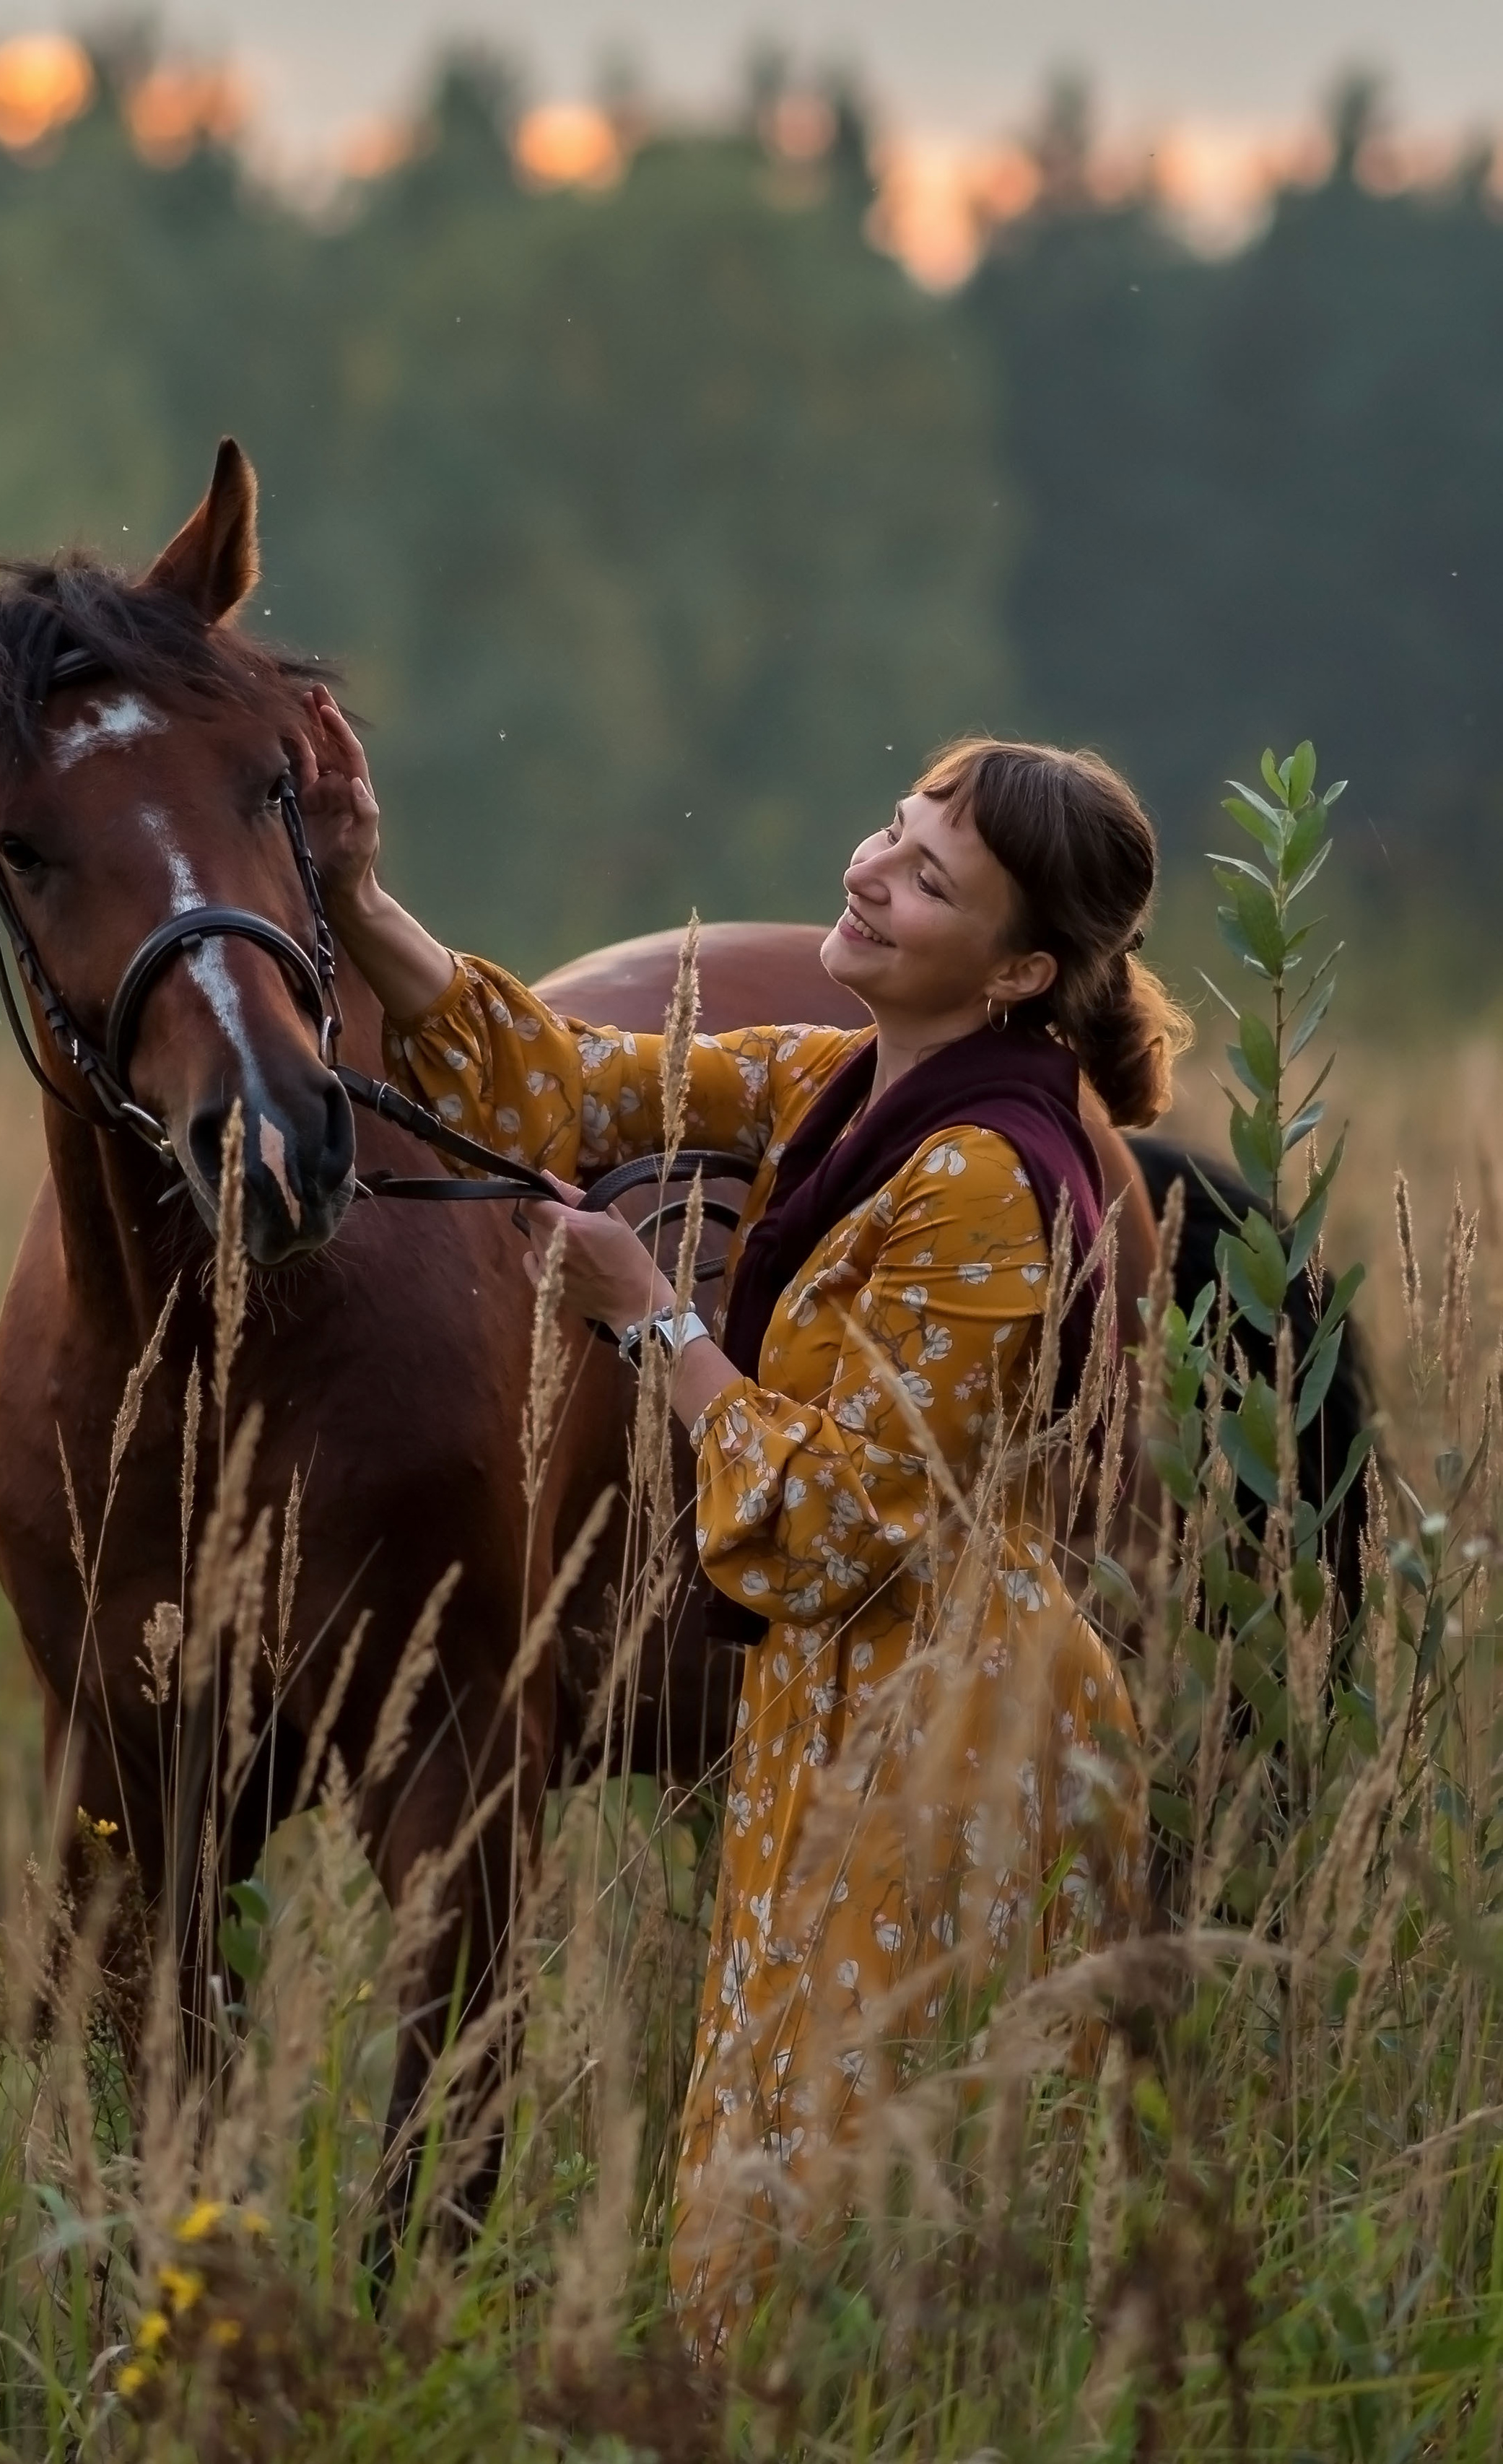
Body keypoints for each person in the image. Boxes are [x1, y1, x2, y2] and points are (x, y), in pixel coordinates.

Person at [298, 693, 1188, 2351]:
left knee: (857, 2235)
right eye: (892, 836)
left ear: (1011, 976)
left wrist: (651, 1319)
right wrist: (356, 896)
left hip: (948, 1723)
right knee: (793, 2219)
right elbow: (564, 1077)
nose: (868, 876)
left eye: (926, 882)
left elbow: (840, 1522)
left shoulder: (985, 1181)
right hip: (835, 1708)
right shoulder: (840, 1085)